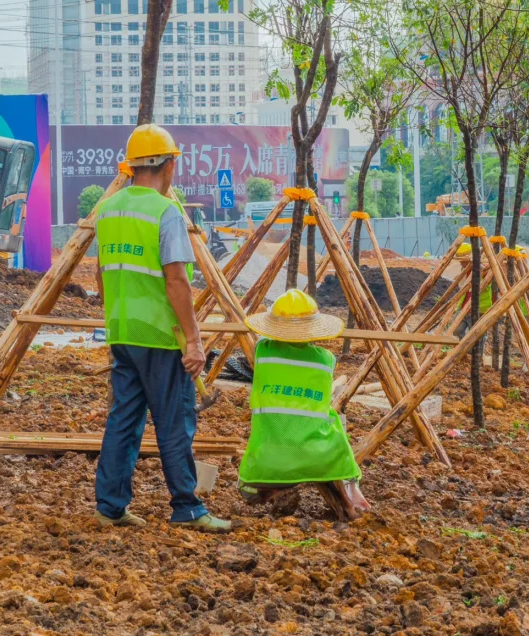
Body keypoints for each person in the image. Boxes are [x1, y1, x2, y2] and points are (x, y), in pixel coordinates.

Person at [92, 123, 230, 532]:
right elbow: (176, 281)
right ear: (169, 166)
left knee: (125, 419)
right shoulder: (165, 212)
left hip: (121, 331)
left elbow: (101, 276)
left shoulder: (109, 209)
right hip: (160, 336)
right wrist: (193, 340)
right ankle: (186, 507)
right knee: (174, 420)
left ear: (132, 167)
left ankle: (110, 506)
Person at [239, 288, 369, 520]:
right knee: (335, 426)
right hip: (318, 457)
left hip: (267, 463)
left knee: (247, 490)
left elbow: (260, 339)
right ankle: (349, 499)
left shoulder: (263, 352)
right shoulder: (326, 361)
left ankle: (278, 488)